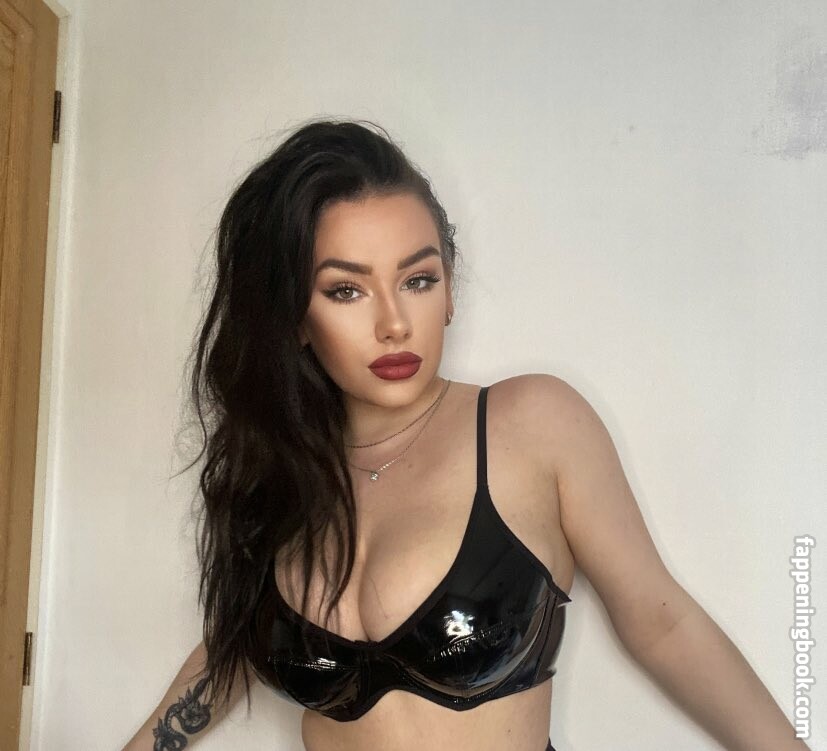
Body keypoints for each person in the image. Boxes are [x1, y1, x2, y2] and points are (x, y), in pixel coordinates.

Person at [122, 118, 808, 751]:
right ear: (295, 317)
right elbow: (230, 650)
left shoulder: (530, 424)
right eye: (346, 290)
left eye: (418, 279)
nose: (394, 323)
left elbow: (661, 623)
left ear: (449, 289)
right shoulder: (281, 474)